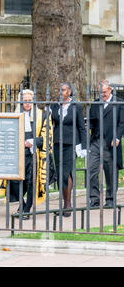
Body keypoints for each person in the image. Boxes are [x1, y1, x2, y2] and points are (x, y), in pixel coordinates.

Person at [9, 89, 55, 219]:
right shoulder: (15, 115)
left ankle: (27, 209)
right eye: (25, 101)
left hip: (34, 154)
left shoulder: (43, 115)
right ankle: (22, 205)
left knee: (31, 181)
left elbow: (47, 137)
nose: (27, 103)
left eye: (30, 101)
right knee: (14, 181)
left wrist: (33, 142)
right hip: (17, 154)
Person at [50, 82, 86, 217]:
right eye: (59, 90)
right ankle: (65, 203)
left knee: (65, 172)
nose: (60, 92)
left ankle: (68, 205)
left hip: (71, 144)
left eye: (63, 90)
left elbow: (82, 127)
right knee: (60, 174)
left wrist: (83, 146)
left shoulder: (76, 106)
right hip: (58, 143)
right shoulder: (54, 106)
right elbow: (49, 122)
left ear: (69, 92)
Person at [88, 80, 124, 207]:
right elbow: (92, 121)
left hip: (111, 142)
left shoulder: (119, 103)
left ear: (110, 90)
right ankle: (94, 199)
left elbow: (122, 123)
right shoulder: (96, 103)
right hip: (96, 142)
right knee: (91, 171)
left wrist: (118, 137)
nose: (102, 95)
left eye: (104, 92)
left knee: (110, 172)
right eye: (100, 92)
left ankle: (110, 199)